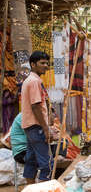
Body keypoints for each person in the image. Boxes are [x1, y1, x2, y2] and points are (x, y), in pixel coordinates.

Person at [21, 51, 53, 184]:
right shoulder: (34, 81)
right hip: (36, 126)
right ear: (33, 64)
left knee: (31, 160)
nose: (45, 66)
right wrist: (45, 128)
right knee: (47, 163)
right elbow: (35, 106)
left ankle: (30, 187)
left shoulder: (31, 80)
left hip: (30, 126)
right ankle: (44, 187)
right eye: (42, 63)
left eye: (47, 63)